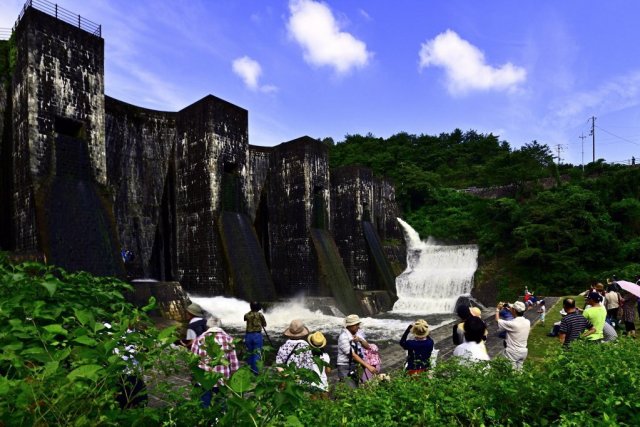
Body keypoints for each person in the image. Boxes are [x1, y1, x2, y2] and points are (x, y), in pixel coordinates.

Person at [191, 321, 239, 408]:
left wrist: (193, 376)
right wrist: (233, 377)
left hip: (204, 378)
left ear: (208, 327)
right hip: (222, 380)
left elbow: (192, 361)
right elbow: (234, 362)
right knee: (221, 404)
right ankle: (220, 419)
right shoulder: (229, 339)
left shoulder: (199, 339)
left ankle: (205, 418)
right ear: (220, 327)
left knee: (204, 403)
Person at [337, 314, 377, 388]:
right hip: (345, 367)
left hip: (354, 366)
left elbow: (367, 346)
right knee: (351, 390)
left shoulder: (356, 334)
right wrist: (368, 366)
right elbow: (353, 355)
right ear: (349, 326)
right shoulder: (343, 337)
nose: (358, 327)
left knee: (355, 387)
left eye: (358, 324)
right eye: (356, 325)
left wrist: (360, 340)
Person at [495, 301, 530, 370]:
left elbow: (497, 320)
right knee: (519, 371)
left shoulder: (512, 323)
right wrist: (508, 306)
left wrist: (497, 309)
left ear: (514, 310)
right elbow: (516, 311)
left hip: (513, 353)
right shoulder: (527, 322)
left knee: (511, 373)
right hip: (523, 351)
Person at [243, 301, 266, 374]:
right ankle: (256, 372)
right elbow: (264, 324)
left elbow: (245, 319)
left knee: (249, 353)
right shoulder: (260, 315)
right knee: (257, 353)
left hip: (248, 335)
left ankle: (250, 370)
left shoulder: (247, 315)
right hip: (257, 335)